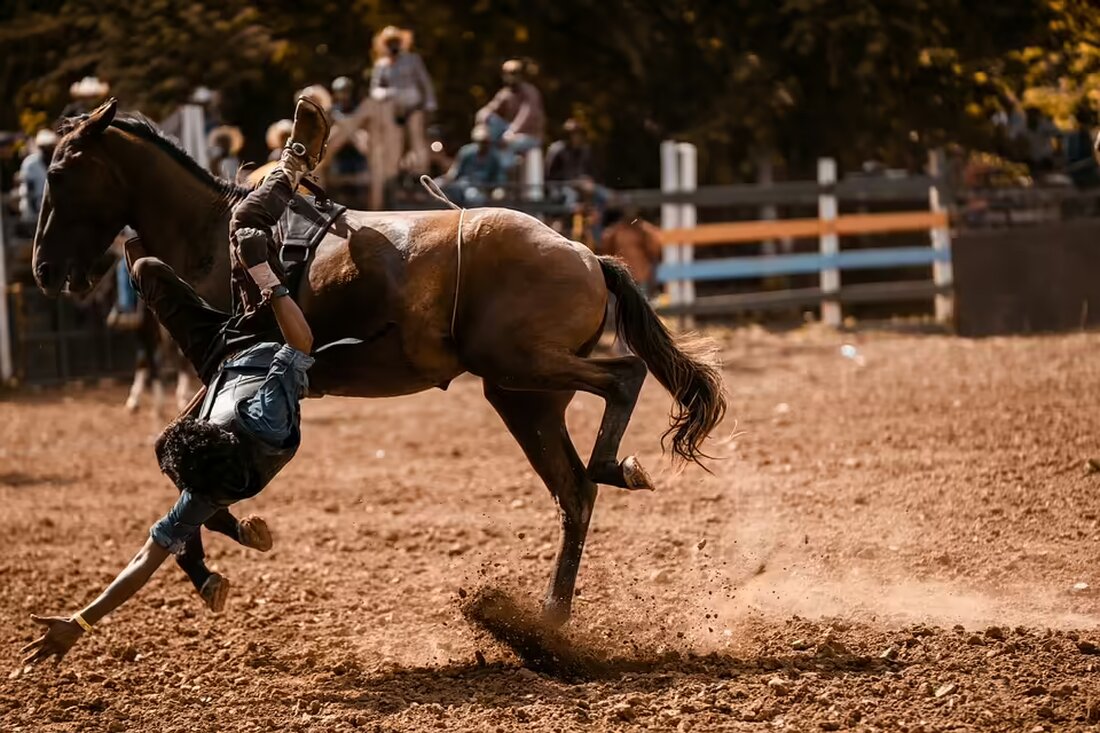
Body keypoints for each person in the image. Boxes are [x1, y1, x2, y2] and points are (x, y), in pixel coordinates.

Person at [21, 97, 331, 665]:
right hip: (253, 339)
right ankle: (296, 159)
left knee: (145, 269)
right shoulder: (263, 418)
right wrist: (267, 279)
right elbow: (301, 344)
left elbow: (143, 561)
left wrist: (80, 621)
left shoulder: (206, 474)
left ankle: (133, 219)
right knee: (245, 224)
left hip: (218, 357)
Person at [369, 26, 436, 174]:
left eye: (395, 41)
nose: (393, 45)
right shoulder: (381, 65)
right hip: (393, 110)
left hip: (413, 106)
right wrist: (387, 94)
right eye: (389, 42)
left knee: (417, 138)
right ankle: (394, 174)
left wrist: (430, 104)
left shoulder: (413, 59)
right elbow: (374, 90)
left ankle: (421, 173)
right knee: (394, 142)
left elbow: (424, 82)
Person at [476, 59, 545, 167]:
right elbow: (490, 109)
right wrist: (482, 117)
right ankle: (488, 165)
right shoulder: (505, 93)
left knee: (509, 144)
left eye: (513, 73)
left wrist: (512, 131)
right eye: (507, 73)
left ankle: (504, 175)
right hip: (507, 133)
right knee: (492, 121)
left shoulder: (530, 91)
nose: (510, 77)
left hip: (529, 136)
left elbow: (527, 114)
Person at [437, 124, 506, 206]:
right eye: (480, 141)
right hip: (464, 184)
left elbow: (499, 176)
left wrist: (499, 189)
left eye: (485, 142)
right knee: (442, 188)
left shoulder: (494, 157)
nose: (483, 145)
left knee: (474, 197)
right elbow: (455, 171)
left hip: (483, 187)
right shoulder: (466, 152)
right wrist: (442, 180)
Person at [17, 129, 56, 225]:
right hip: (33, 213)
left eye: (50, 147)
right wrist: (35, 211)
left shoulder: (56, 162)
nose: (48, 150)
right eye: (45, 147)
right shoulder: (30, 163)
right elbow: (29, 189)